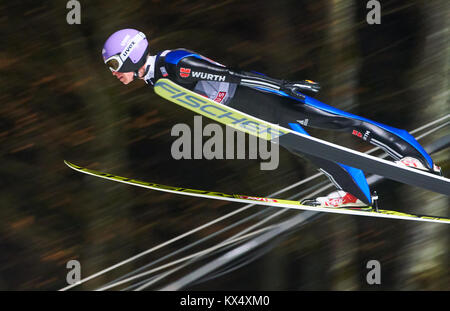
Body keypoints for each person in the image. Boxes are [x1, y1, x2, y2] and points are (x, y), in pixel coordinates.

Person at [102, 28, 442, 208]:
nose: (114, 74)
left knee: (337, 121)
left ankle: (416, 157)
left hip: (258, 96)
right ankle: (356, 193)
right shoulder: (156, 77)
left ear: (132, 55)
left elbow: (233, 75)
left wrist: (284, 86)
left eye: (115, 65)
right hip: (246, 111)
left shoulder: (175, 63)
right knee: (307, 149)